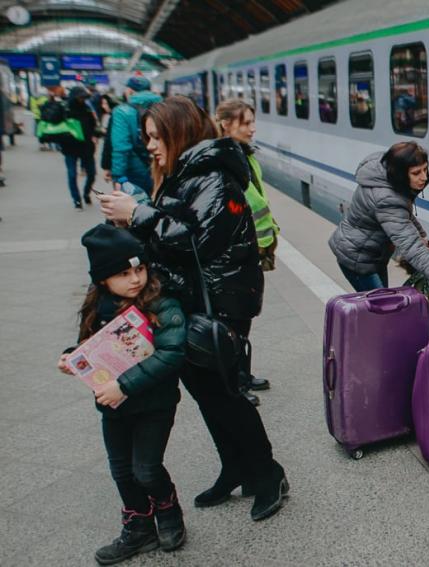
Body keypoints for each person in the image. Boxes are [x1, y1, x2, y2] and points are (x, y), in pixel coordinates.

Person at [98, 96, 289, 522]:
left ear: (178, 133)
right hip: (193, 301)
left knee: (227, 396)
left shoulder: (214, 177)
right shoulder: (184, 173)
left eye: (154, 137)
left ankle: (269, 473)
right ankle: (235, 467)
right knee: (207, 396)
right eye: (146, 137)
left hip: (219, 306)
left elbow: (196, 241)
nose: (149, 145)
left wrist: (140, 214)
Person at [57, 224, 187, 564]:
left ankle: (169, 512)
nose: (136, 279)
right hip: (113, 407)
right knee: (121, 471)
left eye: (140, 269)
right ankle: (139, 528)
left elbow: (172, 354)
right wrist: (73, 357)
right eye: (124, 273)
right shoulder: (99, 308)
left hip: (154, 404)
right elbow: (92, 346)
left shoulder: (162, 303)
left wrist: (123, 386)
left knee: (146, 468)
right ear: (103, 280)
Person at [328, 141, 429, 314]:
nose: (424, 177)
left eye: (425, 169)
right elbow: (411, 247)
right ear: (400, 174)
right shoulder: (386, 198)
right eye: (416, 173)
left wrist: (421, 235)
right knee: (383, 311)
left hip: (371, 252)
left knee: (381, 304)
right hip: (358, 259)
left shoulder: (386, 171)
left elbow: (402, 212)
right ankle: (373, 337)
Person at [214, 98, 280, 402]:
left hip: (252, 251)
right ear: (226, 124)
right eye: (246, 123)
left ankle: (243, 374)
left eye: (253, 122)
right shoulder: (221, 161)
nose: (253, 129)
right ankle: (235, 385)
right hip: (234, 253)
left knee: (246, 317)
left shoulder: (243, 156)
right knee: (234, 321)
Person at [109, 76, 162, 194]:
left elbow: (121, 147)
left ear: (130, 91)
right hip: (162, 165)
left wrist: (117, 176)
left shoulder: (122, 111)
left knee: (136, 207)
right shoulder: (164, 106)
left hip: (135, 169)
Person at [61, 86, 98, 209]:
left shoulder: (87, 109)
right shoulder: (65, 110)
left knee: (92, 174)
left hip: (86, 147)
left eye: (83, 97)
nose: (82, 99)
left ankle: (86, 193)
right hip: (69, 147)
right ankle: (76, 199)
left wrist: (95, 135)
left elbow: (93, 125)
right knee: (72, 174)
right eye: (80, 97)